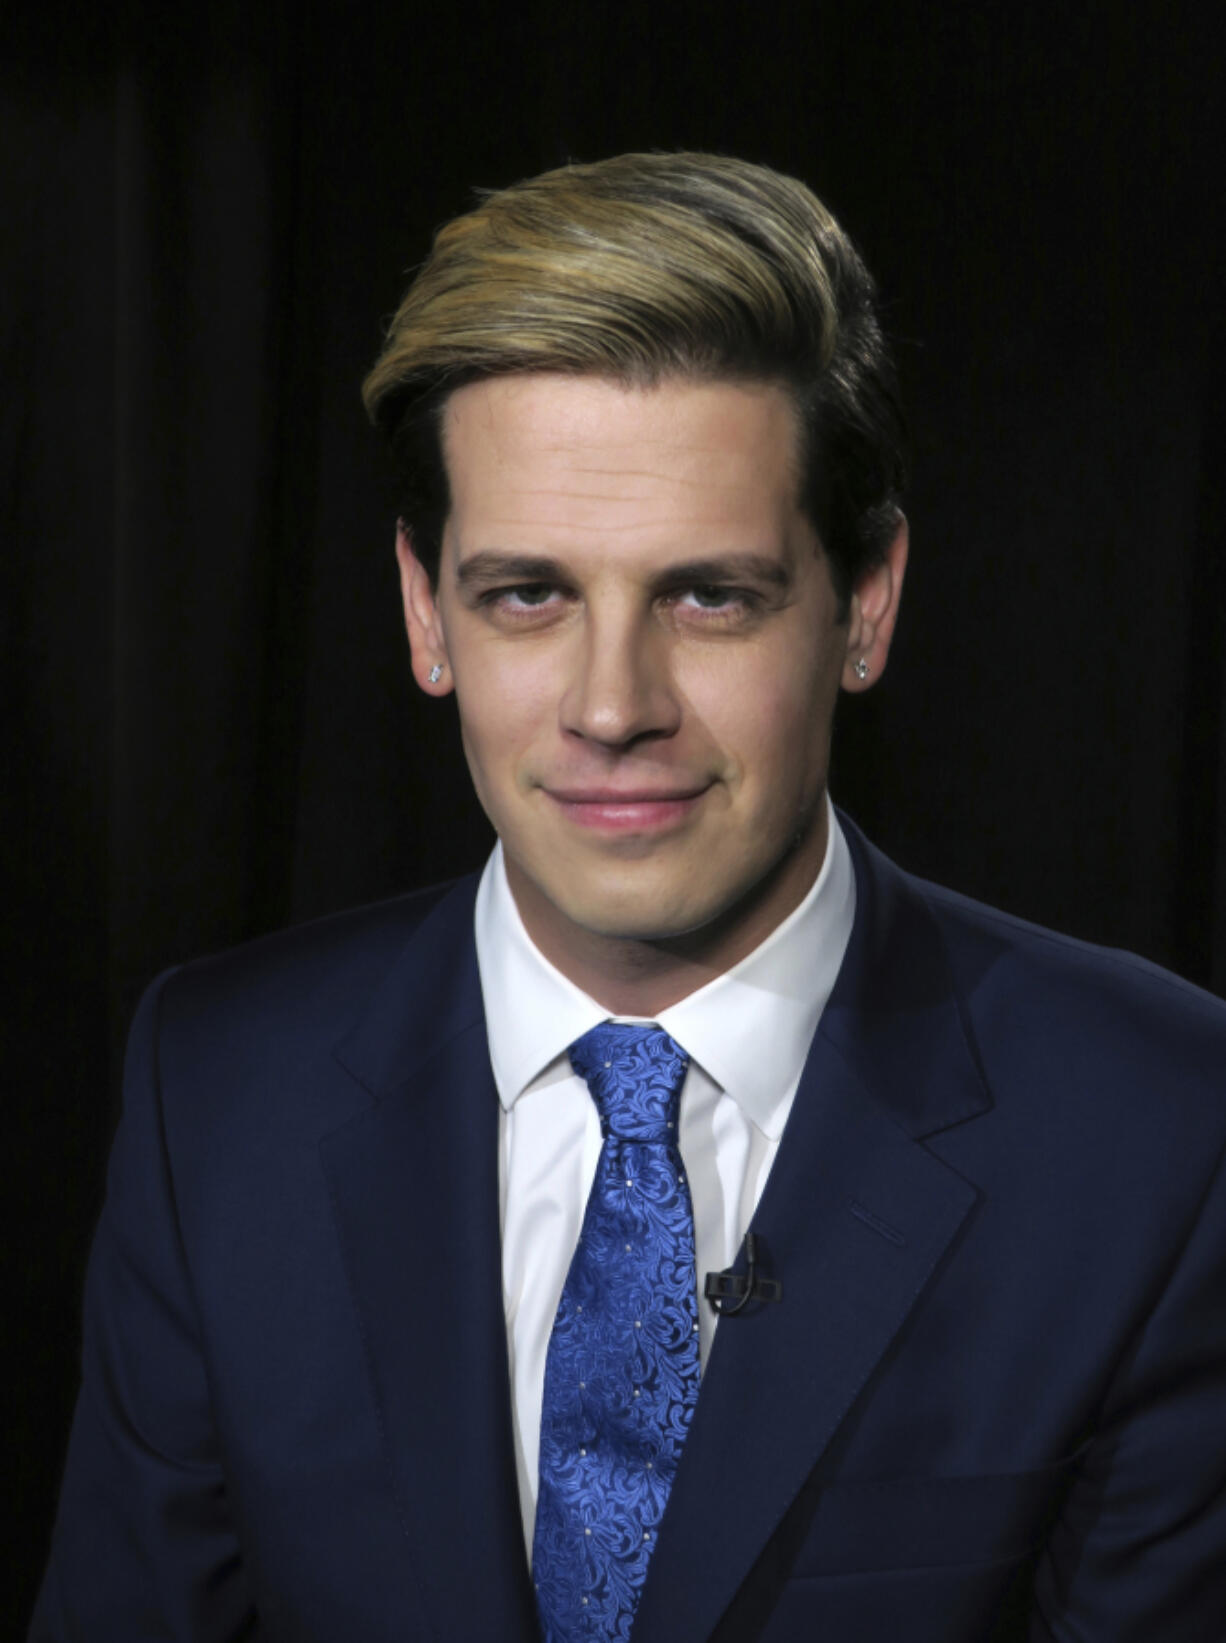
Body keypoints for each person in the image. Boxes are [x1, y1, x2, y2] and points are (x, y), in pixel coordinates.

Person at [30, 152, 1226, 1643]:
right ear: (424, 612)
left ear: (864, 607)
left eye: (707, 596)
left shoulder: (1164, 1129)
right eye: (526, 593)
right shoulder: (215, 1090)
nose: (611, 705)